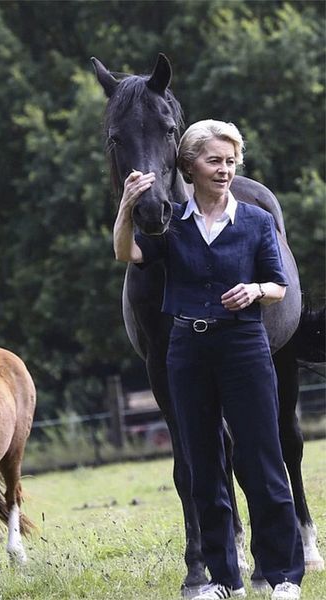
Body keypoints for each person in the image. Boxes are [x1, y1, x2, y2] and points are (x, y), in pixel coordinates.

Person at [113, 120, 304, 600]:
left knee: (262, 461)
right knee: (203, 467)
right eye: (215, 161)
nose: (224, 170)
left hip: (243, 345)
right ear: (189, 167)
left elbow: (279, 284)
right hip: (188, 350)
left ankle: (283, 576)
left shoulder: (257, 221)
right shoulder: (173, 227)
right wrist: (125, 208)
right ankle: (223, 579)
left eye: (230, 161)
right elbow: (127, 253)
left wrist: (258, 289)